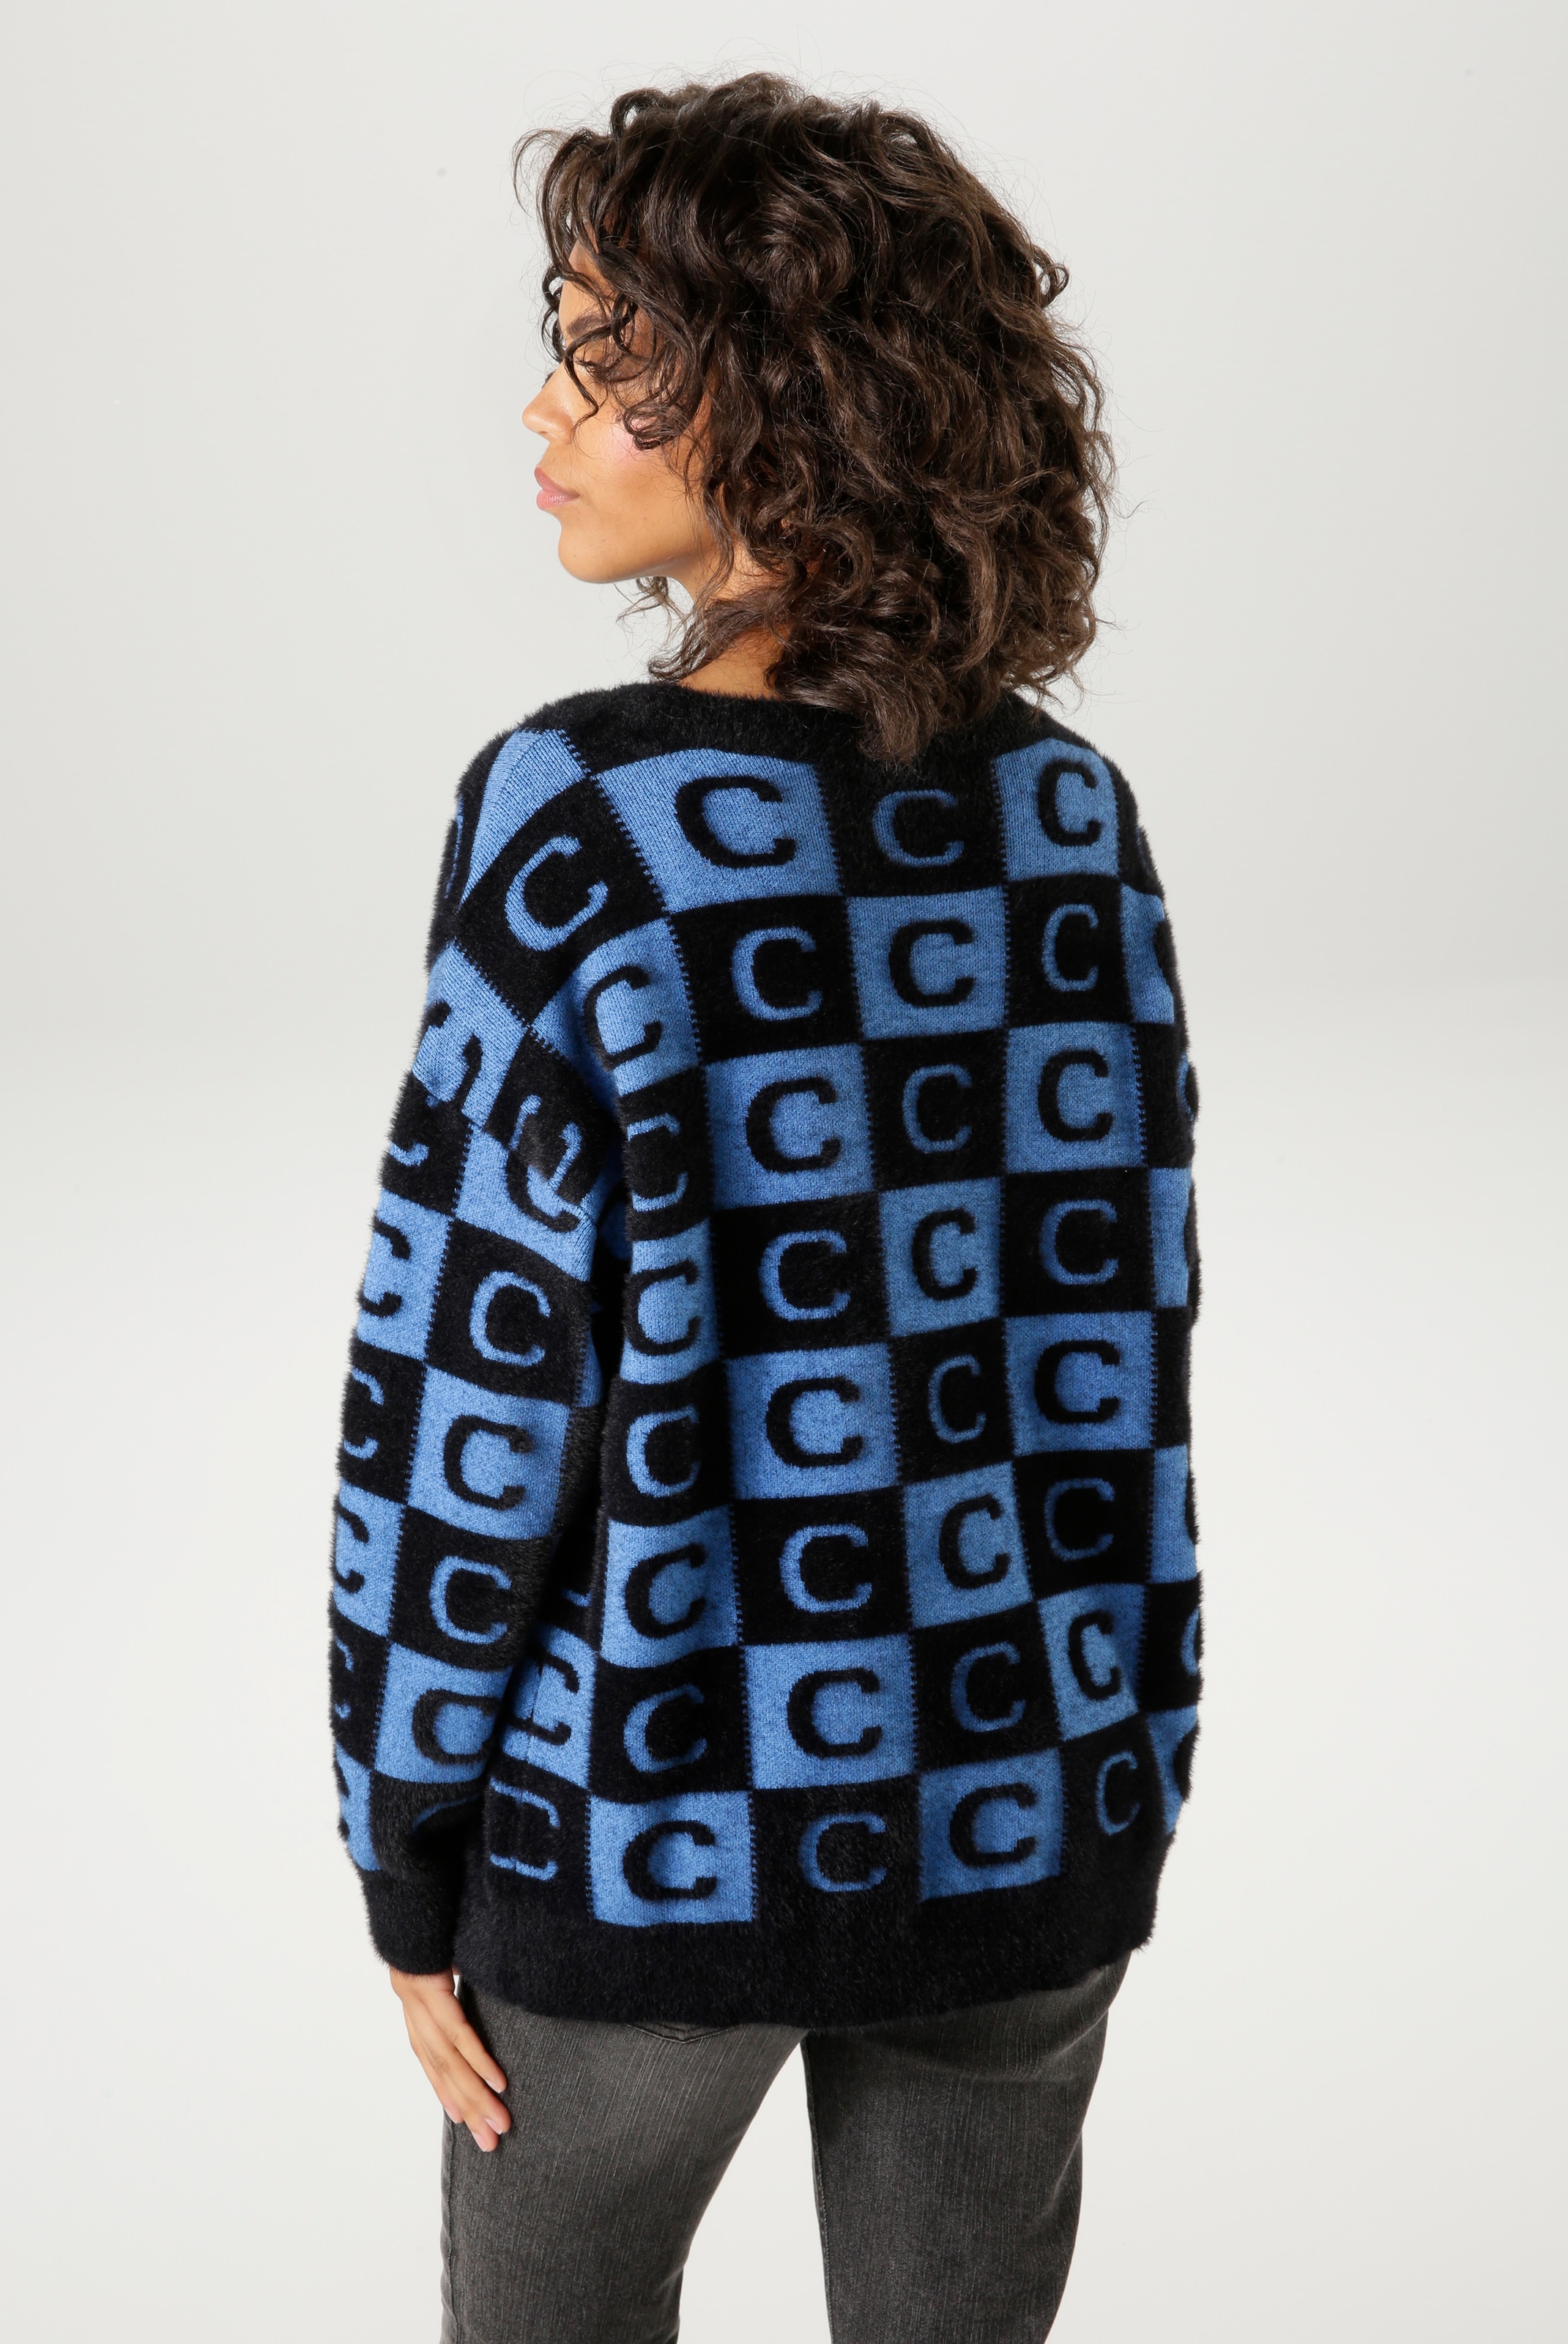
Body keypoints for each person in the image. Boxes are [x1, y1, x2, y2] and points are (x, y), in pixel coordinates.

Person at [328, 72, 1201, 2344]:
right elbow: (1125, 1356)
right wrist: (1134, 1750)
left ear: (788, 399)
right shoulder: (1072, 821)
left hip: (649, 1839)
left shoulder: (582, 824)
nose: (545, 412)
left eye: (607, 358)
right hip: (1029, 1801)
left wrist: (406, 1845)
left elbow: (468, 1379)